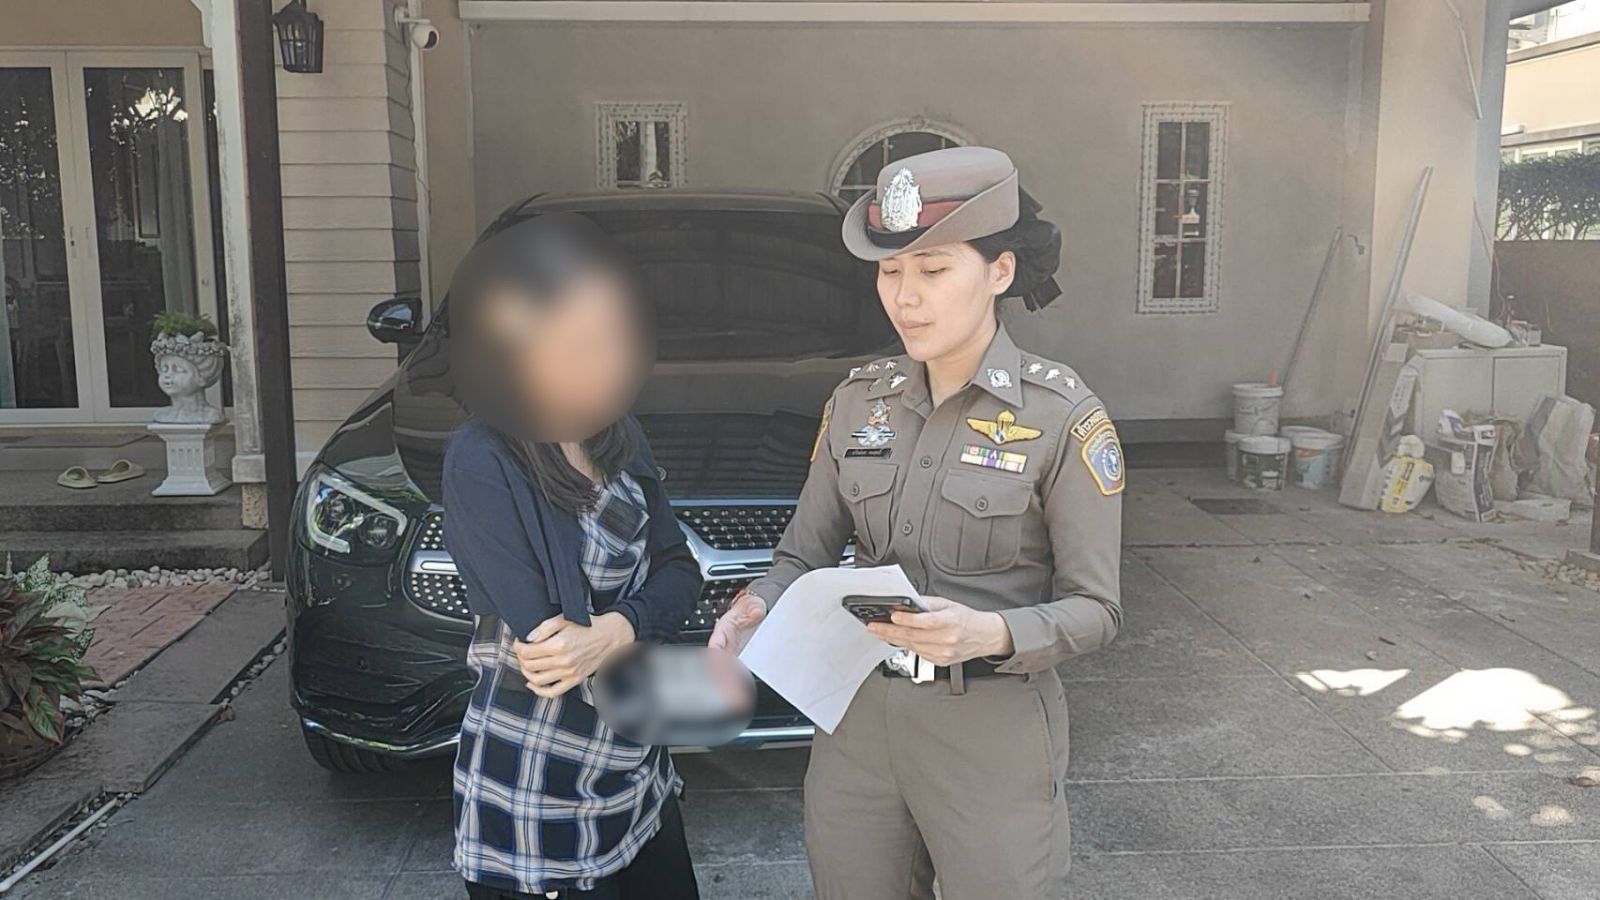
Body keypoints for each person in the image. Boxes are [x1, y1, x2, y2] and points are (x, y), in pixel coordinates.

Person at [710, 147, 1124, 900]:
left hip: (990, 729)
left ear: (999, 272)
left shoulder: (1062, 416)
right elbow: (801, 556)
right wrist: (757, 604)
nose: (905, 297)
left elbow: (1097, 609)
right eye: (890, 271)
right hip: (857, 720)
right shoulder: (857, 403)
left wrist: (989, 633)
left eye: (933, 270)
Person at [441, 213, 703, 900]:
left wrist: (617, 628)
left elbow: (683, 572)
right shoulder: (482, 457)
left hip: (639, 775)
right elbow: (553, 653)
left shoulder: (619, 433)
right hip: (536, 787)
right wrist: (642, 628)